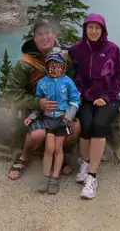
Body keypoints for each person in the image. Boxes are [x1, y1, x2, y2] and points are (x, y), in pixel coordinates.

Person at [4, 18, 80, 180]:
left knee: (75, 129)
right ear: (34, 37)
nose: (44, 37)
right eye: (40, 34)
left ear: (54, 35)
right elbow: (11, 92)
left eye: (48, 33)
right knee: (38, 134)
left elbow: (75, 83)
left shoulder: (65, 58)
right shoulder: (25, 63)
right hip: (34, 110)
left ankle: (55, 154)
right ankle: (24, 156)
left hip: (60, 111)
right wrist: (38, 103)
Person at [68, 13, 120, 200]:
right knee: (86, 125)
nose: (93, 31)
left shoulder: (113, 49)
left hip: (109, 98)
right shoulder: (76, 49)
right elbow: (69, 70)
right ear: (85, 29)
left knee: (99, 125)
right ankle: (84, 163)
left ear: (103, 30)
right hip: (86, 98)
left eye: (97, 28)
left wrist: (106, 96)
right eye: (90, 27)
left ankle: (92, 177)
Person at [24, 51, 81, 194]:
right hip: (49, 120)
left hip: (62, 121)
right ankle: (45, 177)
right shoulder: (42, 83)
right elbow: (40, 103)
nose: (55, 69)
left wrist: (68, 117)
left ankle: (55, 178)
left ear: (63, 67)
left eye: (58, 66)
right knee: (49, 149)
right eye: (52, 66)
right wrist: (32, 116)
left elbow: (74, 101)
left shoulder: (68, 82)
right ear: (47, 67)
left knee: (57, 149)